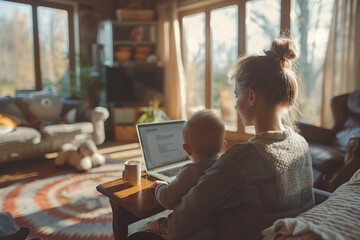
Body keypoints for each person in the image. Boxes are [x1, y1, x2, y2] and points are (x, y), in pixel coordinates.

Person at [161, 37, 315, 240]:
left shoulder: (241, 159)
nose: (235, 105)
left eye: (236, 95)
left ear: (251, 97)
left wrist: (159, 226)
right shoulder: (300, 144)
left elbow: (178, 225)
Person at [144, 109, 227, 238]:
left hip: (193, 231)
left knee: (146, 228)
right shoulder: (225, 165)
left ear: (186, 149)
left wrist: (159, 186)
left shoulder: (191, 171)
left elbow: (167, 199)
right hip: (217, 227)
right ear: (223, 146)